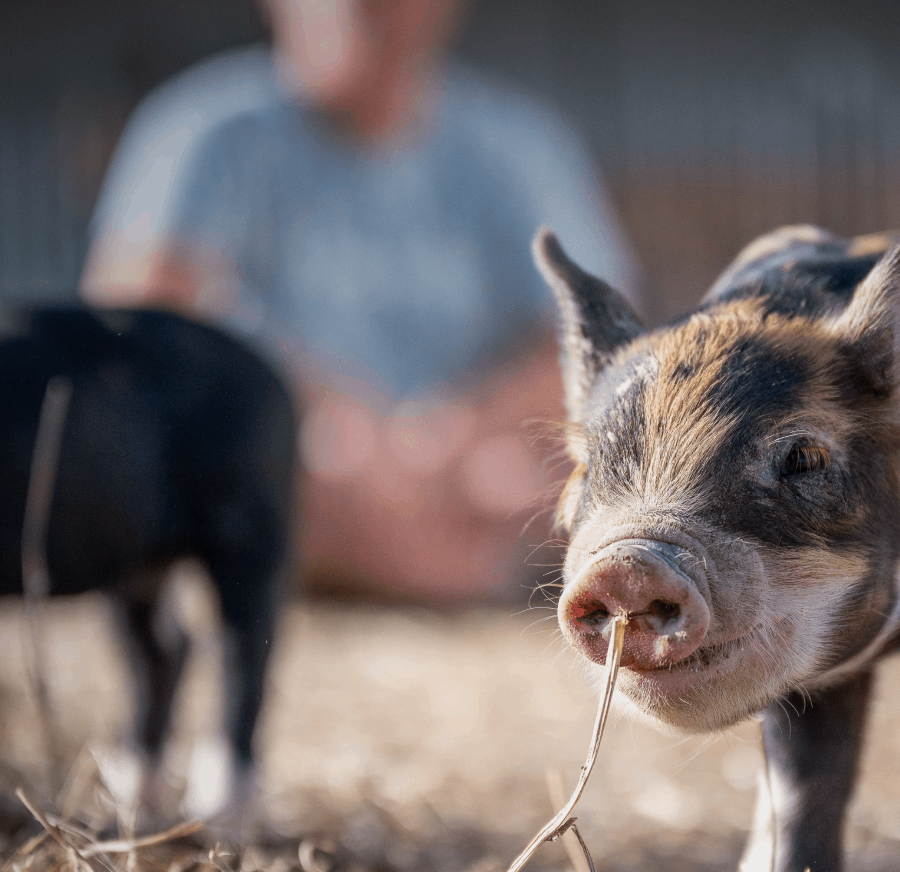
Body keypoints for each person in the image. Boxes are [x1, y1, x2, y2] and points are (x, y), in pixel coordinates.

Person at [82, 0, 636, 603]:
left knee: (538, 478)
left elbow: (602, 339)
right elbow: (135, 321)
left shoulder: (523, 144)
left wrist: (453, 432)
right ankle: (437, 575)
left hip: (471, 472)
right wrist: (325, 410)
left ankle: (403, 569)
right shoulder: (198, 129)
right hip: (297, 451)